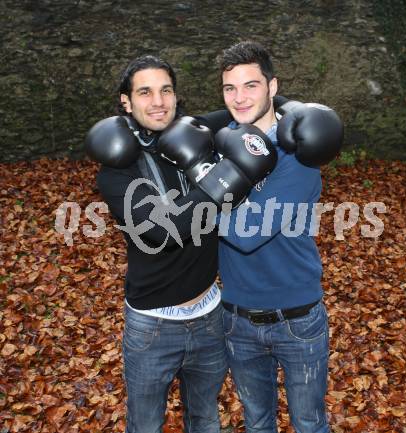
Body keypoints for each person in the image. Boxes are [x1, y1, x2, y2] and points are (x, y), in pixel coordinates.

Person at [85, 54, 282, 433]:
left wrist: (296, 109)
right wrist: (229, 175)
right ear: (126, 102)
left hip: (210, 317)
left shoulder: (193, 134)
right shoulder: (117, 172)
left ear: (176, 96)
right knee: (144, 425)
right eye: (145, 92)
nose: (158, 101)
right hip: (152, 326)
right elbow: (165, 230)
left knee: (205, 418)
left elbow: (244, 106)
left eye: (165, 90)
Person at [213, 41, 343, 433]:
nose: (240, 98)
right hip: (236, 316)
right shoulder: (217, 145)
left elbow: (246, 234)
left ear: (272, 86)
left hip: (296, 319)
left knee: (308, 423)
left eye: (251, 86)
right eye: (229, 88)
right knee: (257, 423)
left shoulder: (300, 156)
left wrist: (191, 207)